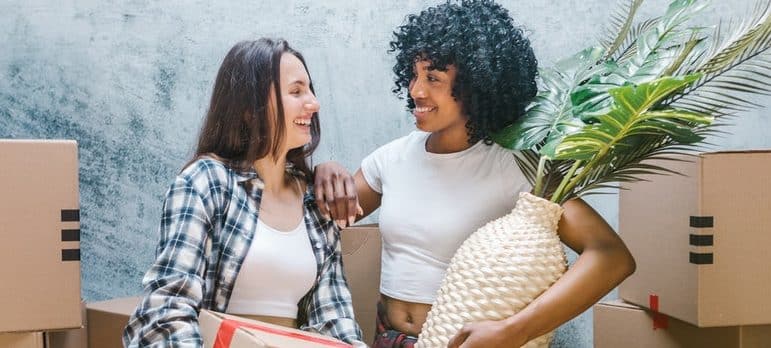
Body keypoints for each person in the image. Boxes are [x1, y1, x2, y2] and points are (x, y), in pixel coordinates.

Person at [313, 1, 636, 347]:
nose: (415, 90)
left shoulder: (517, 167)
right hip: (387, 339)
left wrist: (515, 330)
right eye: (414, 74)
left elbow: (610, 256)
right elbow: (318, 219)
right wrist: (324, 169)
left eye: (433, 78)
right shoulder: (392, 159)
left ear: (476, 84)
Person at [123, 38, 364, 347]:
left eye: (310, 89)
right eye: (296, 91)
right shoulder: (206, 183)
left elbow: (335, 316)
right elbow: (168, 309)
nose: (314, 103)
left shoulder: (314, 203)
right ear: (251, 110)